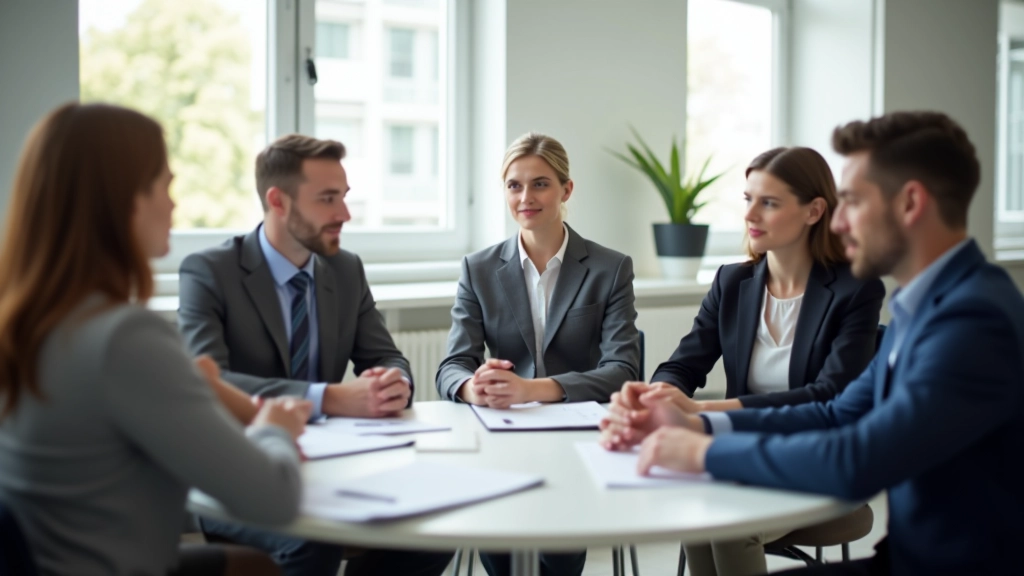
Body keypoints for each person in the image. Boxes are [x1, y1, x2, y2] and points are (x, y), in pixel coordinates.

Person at [603, 111, 1024, 576]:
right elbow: (836, 414)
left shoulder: (973, 320)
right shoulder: (920, 305)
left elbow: (857, 458)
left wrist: (701, 450)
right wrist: (693, 424)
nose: (840, 223)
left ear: (910, 203)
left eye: (853, 202)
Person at [0, 102, 309, 576]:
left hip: (51, 560)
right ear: (120, 199)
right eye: (163, 185)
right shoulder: (123, 338)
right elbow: (273, 501)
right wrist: (275, 428)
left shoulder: (29, 321)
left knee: (254, 566)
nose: (173, 203)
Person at [178, 133, 453, 576]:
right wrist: (330, 398)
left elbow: (384, 356)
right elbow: (209, 383)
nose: (344, 214)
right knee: (313, 543)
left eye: (344, 197)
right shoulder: (209, 272)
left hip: (339, 467)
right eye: (328, 199)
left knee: (431, 532)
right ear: (278, 201)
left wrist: (392, 384)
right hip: (241, 469)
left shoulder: (345, 269)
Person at [618, 146, 884, 576]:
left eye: (769, 203)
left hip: (820, 465)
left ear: (814, 210)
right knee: (702, 510)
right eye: (748, 200)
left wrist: (702, 410)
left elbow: (829, 396)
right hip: (741, 457)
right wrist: (659, 394)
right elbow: (683, 366)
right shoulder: (733, 282)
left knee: (722, 521)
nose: (750, 215)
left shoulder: (857, 290)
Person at [436, 132, 641, 575]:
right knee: (501, 544)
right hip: (502, 435)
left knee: (560, 552)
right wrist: (475, 387)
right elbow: (452, 366)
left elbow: (623, 370)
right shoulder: (479, 268)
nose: (525, 197)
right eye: (514, 185)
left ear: (566, 190)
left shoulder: (610, 268)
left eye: (540, 184)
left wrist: (532, 388)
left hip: (579, 437)